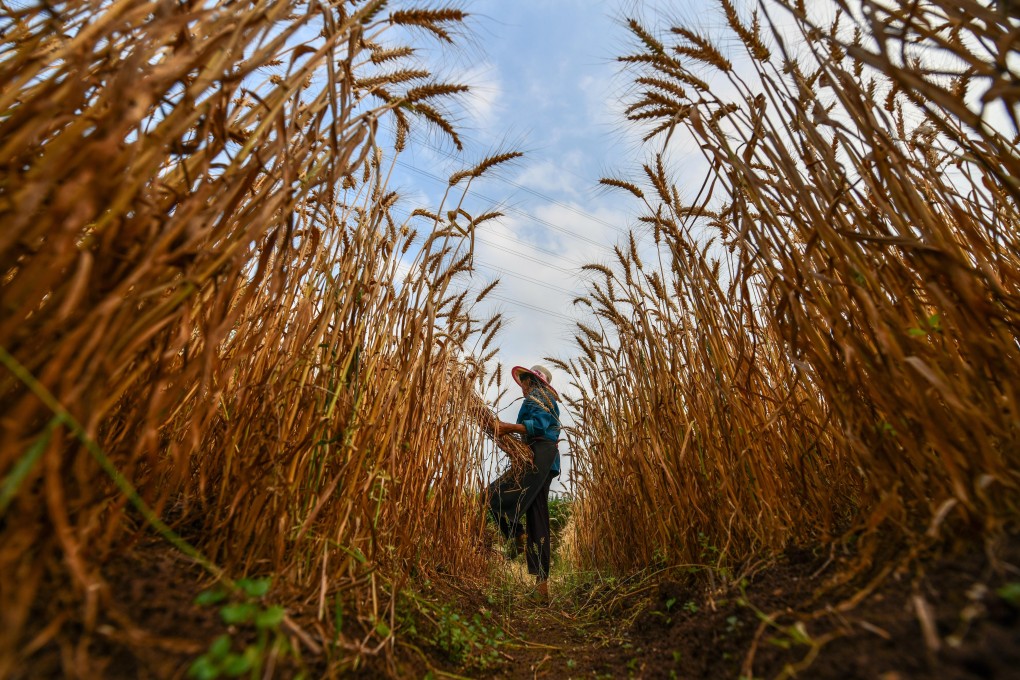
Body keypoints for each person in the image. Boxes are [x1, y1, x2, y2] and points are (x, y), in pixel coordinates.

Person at [486, 364, 561, 600]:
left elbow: (538, 427)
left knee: (492, 495)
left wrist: (506, 427)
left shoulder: (539, 396)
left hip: (541, 456)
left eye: (524, 381)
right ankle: (541, 586)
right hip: (540, 457)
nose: (522, 387)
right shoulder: (544, 398)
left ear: (531, 381)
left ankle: (517, 534)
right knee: (537, 513)